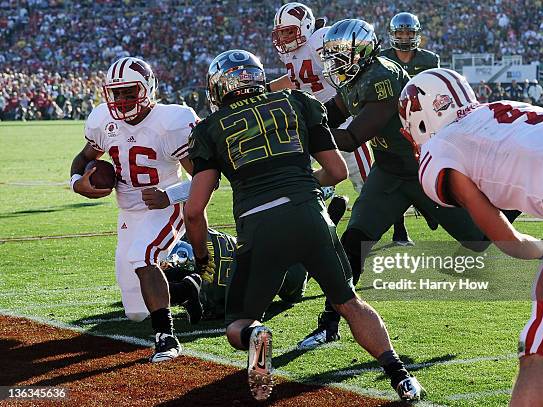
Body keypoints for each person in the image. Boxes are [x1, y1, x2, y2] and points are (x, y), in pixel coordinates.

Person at [184, 49, 424, 402]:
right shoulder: (296, 101)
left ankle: (255, 336)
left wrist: (203, 257)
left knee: (238, 320)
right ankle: (401, 377)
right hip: (310, 214)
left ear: (218, 90)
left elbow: (193, 210)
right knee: (349, 303)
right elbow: (337, 172)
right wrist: (301, 183)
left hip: (258, 224)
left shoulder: (209, 129)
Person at [298, 19, 519, 350]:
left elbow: (353, 136)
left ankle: (511, 205)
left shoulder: (382, 76)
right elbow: (330, 113)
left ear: (359, 51)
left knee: (476, 240)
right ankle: (329, 323)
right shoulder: (356, 75)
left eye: (337, 54)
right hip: (388, 173)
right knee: (355, 241)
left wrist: (304, 136)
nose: (331, 62)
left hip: (423, 170)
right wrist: (299, 121)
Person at [399, 67, 543, 407]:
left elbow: (507, 240)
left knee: (538, 351)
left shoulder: (441, 147)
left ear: (420, 117)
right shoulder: (506, 109)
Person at [69, 57, 199, 363]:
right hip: (129, 211)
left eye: (130, 91)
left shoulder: (172, 121)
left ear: (148, 88)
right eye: (117, 93)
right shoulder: (104, 120)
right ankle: (186, 289)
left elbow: (207, 178)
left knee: (143, 257)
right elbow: (82, 158)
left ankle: (166, 339)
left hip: (166, 204)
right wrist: (79, 183)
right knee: (136, 310)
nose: (123, 99)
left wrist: (170, 195)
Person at [268, 2, 371, 221]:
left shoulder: (319, 40)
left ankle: (398, 227)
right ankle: (321, 199)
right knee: (297, 170)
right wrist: (266, 89)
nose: (284, 38)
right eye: (281, 33)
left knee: (366, 179)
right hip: (315, 120)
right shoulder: (289, 53)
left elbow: (345, 69)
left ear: (305, 26)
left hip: (343, 117)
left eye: (288, 31)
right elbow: (297, 78)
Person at [379, 11, 440, 246]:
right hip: (392, 125)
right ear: (393, 34)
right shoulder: (383, 59)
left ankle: (429, 209)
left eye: (409, 32)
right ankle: (400, 230)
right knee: (395, 177)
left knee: (426, 170)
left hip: (422, 125)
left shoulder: (429, 60)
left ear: (417, 34)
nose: (404, 37)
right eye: (400, 32)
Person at [161, 229, 309, 321]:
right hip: (270, 249)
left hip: (289, 272)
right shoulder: (199, 234)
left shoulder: (208, 293)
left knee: (294, 293)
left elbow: (215, 310)